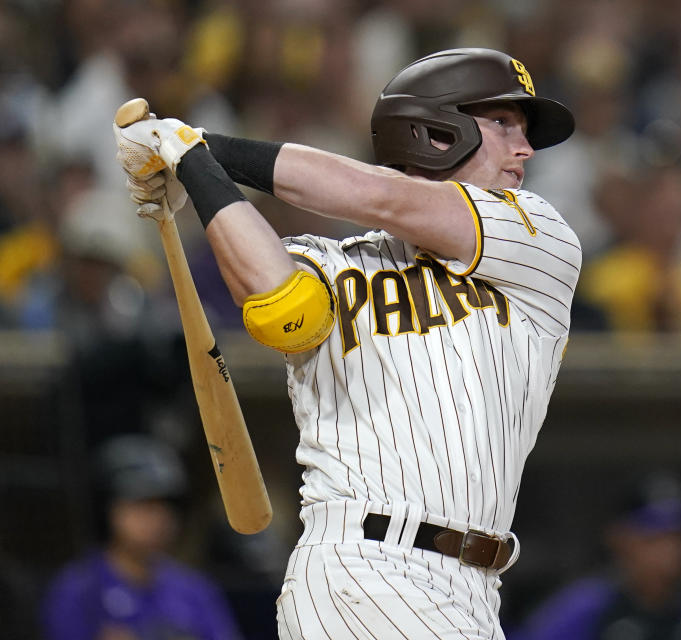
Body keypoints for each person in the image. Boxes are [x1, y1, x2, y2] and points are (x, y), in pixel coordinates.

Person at [113, 47, 580, 639]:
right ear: (438, 132)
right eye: (503, 123)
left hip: (473, 590)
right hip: (362, 568)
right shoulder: (331, 262)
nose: (526, 148)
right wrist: (195, 171)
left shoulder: (537, 237)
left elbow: (380, 197)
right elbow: (282, 307)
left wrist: (194, 146)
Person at [41, 433, 242, 640]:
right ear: (109, 509)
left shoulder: (196, 591)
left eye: (166, 506)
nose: (157, 520)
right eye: (143, 505)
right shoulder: (78, 589)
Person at [520, 475, 681, 640]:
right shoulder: (583, 608)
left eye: (678, 536)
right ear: (619, 538)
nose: (670, 550)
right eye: (654, 537)